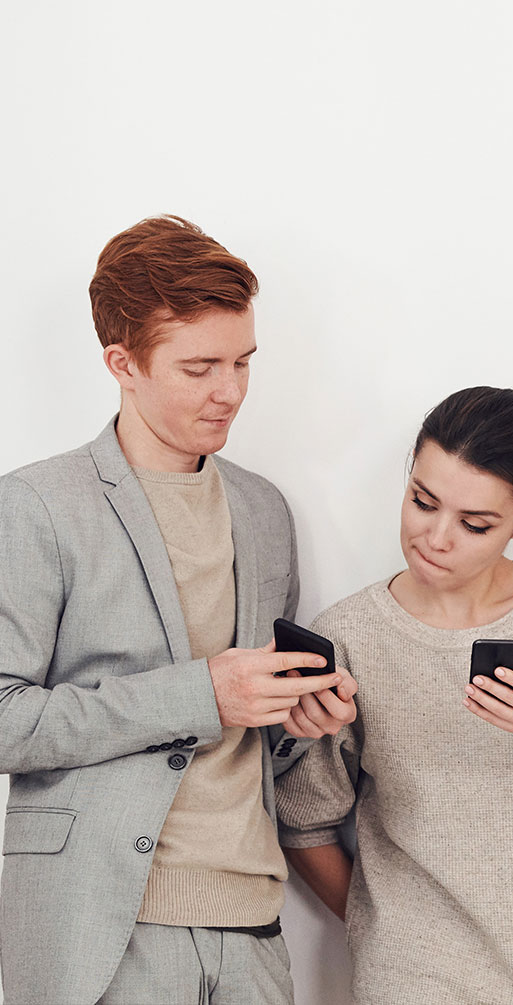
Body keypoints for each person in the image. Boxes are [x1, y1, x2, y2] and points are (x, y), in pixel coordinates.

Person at [0, 215, 357, 1004]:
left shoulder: (263, 510)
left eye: (242, 362)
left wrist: (300, 722)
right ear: (121, 363)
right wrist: (201, 693)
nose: (230, 391)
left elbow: (257, 740)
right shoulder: (37, 505)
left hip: (252, 930)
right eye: (200, 367)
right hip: (105, 930)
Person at [273, 386, 513, 1003]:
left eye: (475, 524)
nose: (436, 537)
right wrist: (391, 940)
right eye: (422, 502)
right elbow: (304, 824)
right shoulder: (349, 636)